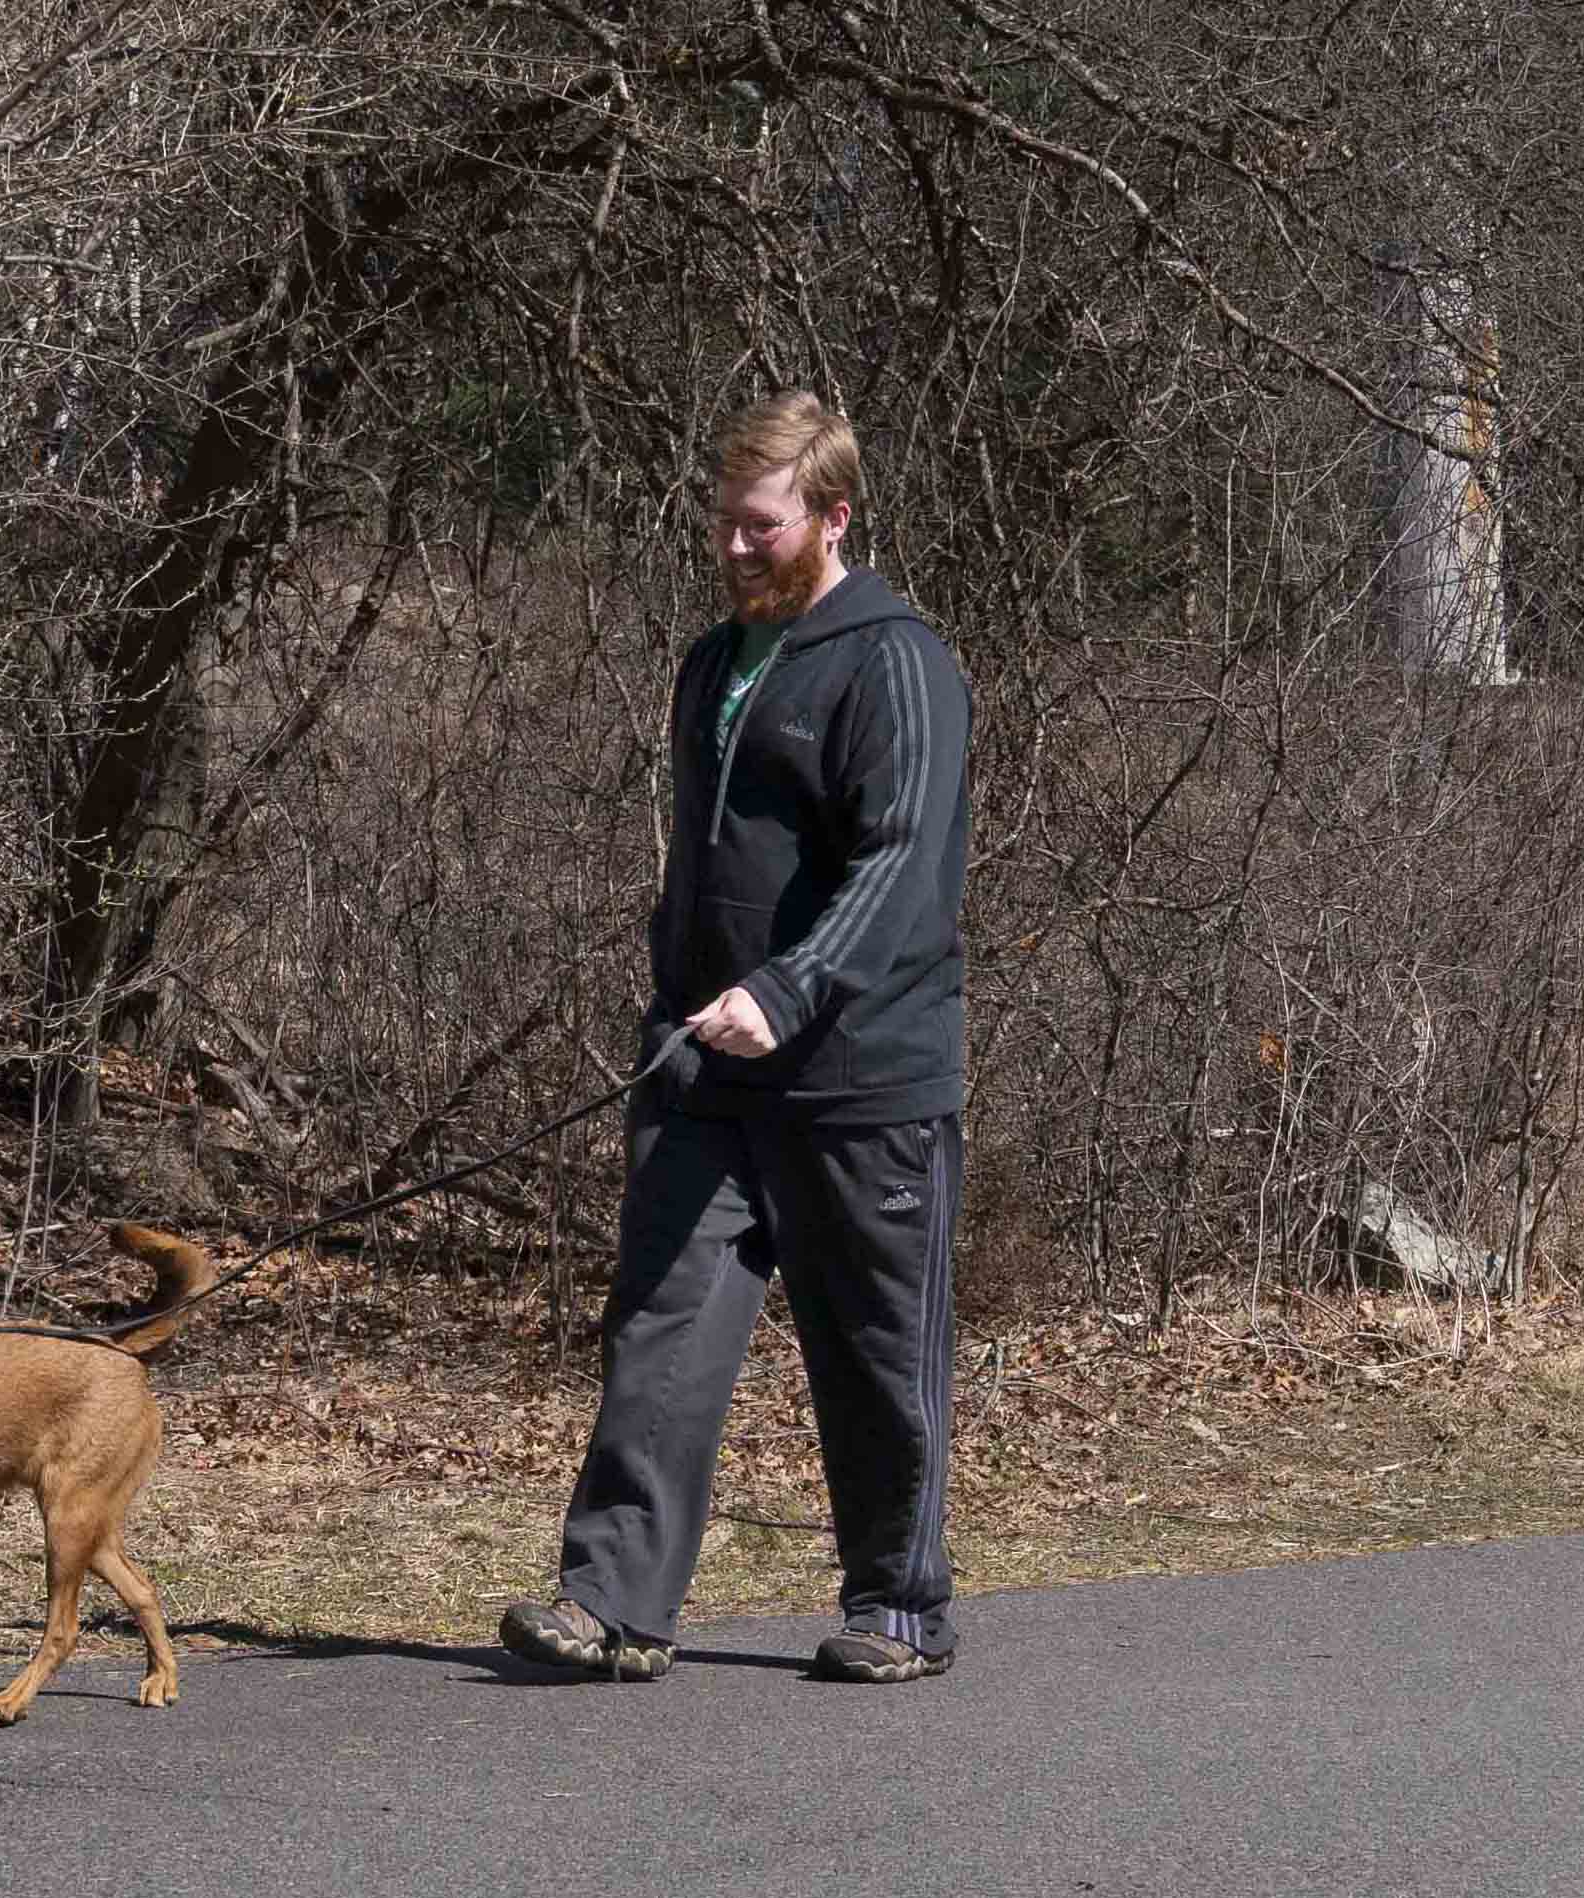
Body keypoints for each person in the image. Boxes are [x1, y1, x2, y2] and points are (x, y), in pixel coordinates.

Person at [500, 391, 971, 1684]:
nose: (733, 546)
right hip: (709, 1073)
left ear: (832, 516)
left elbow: (900, 866)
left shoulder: (898, 662)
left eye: (760, 525)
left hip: (862, 1076)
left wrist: (790, 985)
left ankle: (900, 1604)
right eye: (723, 521)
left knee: (876, 1360)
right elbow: (700, 867)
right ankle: (613, 1604)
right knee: (659, 1328)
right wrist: (680, 999)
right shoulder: (714, 664)